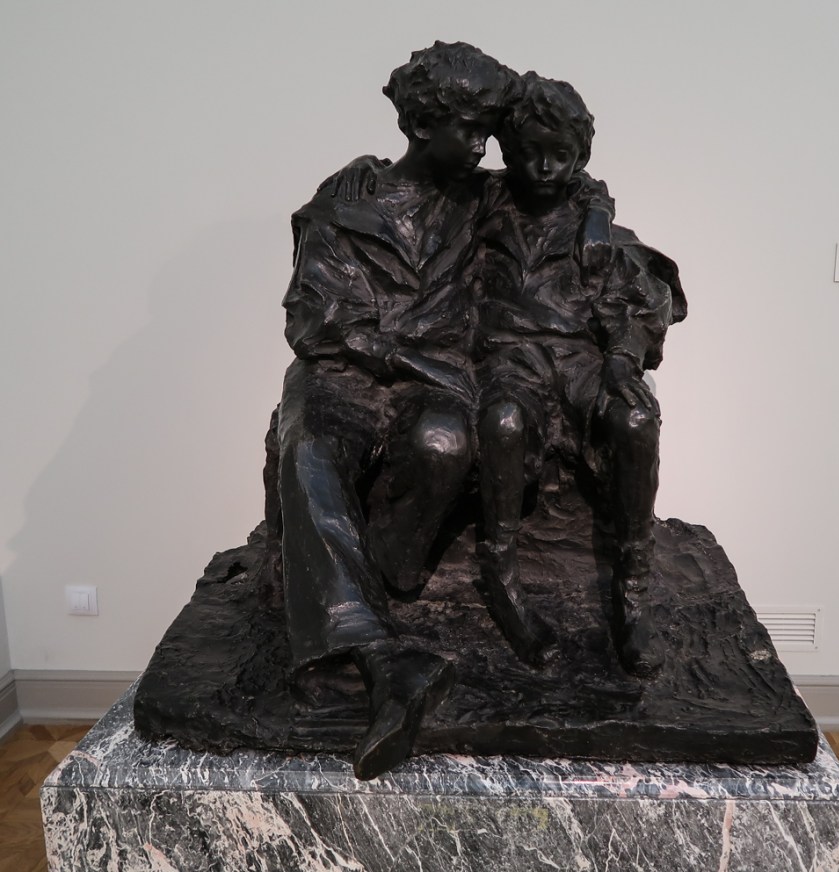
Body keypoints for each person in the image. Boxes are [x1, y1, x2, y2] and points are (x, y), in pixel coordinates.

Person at [276, 42, 518, 780]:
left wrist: (599, 214)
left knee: (444, 442)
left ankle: (379, 585)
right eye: (467, 130)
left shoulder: (487, 199)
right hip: (344, 371)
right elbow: (312, 321)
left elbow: (567, 187)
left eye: (488, 131)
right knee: (309, 448)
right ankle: (384, 660)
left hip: (435, 380)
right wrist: (401, 355)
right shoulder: (349, 199)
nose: (480, 146)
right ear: (418, 125)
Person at [472, 72, 687, 677]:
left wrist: (622, 355)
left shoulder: (596, 229)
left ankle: (632, 589)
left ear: (581, 156)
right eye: (529, 153)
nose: (544, 168)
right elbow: (419, 184)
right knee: (503, 421)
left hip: (580, 363)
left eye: (560, 155)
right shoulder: (483, 207)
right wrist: (360, 174)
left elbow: (640, 300)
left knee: (636, 419)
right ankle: (501, 578)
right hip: (509, 360)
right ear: (506, 151)